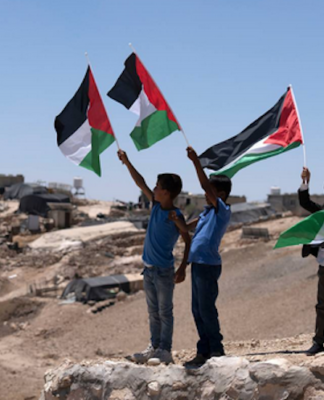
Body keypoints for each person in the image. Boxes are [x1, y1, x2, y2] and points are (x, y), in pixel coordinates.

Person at [117, 149, 191, 364]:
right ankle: (155, 346)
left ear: (166, 192)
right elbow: (140, 183)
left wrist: (183, 267)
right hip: (148, 269)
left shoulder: (175, 215)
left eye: (158, 186)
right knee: (153, 312)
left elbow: (187, 238)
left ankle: (165, 350)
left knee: (165, 312)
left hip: (163, 271)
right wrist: (127, 161)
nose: (154, 189)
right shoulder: (156, 206)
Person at [169, 146, 232, 368]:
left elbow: (206, 185)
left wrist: (196, 162)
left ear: (220, 195)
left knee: (206, 309)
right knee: (197, 309)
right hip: (197, 264)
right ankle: (204, 350)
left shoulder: (222, 211)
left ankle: (216, 349)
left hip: (208, 265)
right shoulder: (206, 213)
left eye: (211, 192)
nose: (206, 193)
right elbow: (186, 228)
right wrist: (173, 217)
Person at [299, 167, 324, 356]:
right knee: (322, 305)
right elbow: (305, 201)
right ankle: (319, 341)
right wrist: (306, 182)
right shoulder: (322, 212)